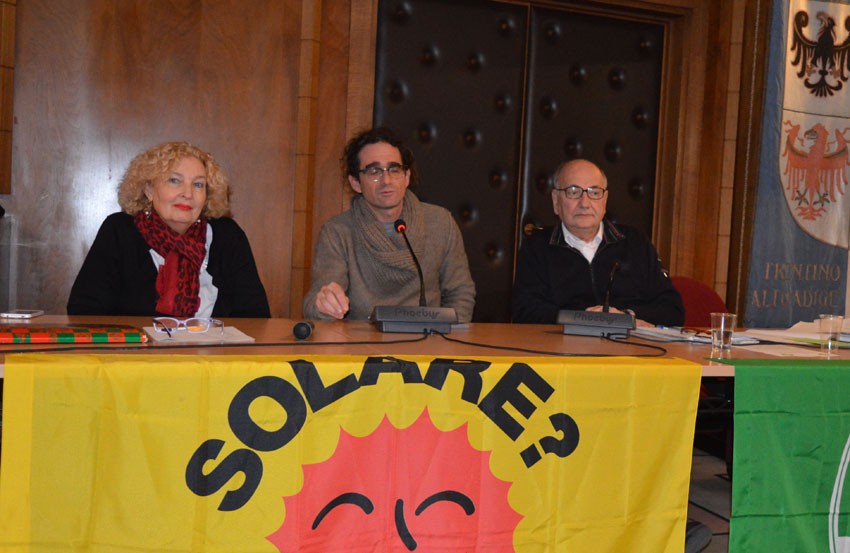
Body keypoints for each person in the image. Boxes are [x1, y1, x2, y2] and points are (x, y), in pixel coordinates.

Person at [67, 141, 270, 318]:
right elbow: (84, 311)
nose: (188, 193)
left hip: (217, 351)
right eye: (174, 181)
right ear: (149, 190)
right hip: (137, 350)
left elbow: (256, 316)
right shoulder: (120, 232)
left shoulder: (228, 236)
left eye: (198, 184)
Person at [302, 127, 475, 322]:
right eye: (374, 171)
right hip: (361, 339)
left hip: (430, 338)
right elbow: (315, 300)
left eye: (394, 170)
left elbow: (460, 293)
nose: (386, 180)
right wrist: (324, 304)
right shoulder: (337, 231)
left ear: (406, 177)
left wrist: (449, 335)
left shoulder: (441, 222)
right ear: (356, 183)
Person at [511, 158, 683, 327]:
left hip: (629, 343)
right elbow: (525, 311)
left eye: (594, 193)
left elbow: (672, 309)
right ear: (556, 201)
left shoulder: (635, 242)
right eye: (573, 192)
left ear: (605, 200)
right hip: (564, 343)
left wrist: (625, 317)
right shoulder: (537, 247)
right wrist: (584, 319)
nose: (585, 203)